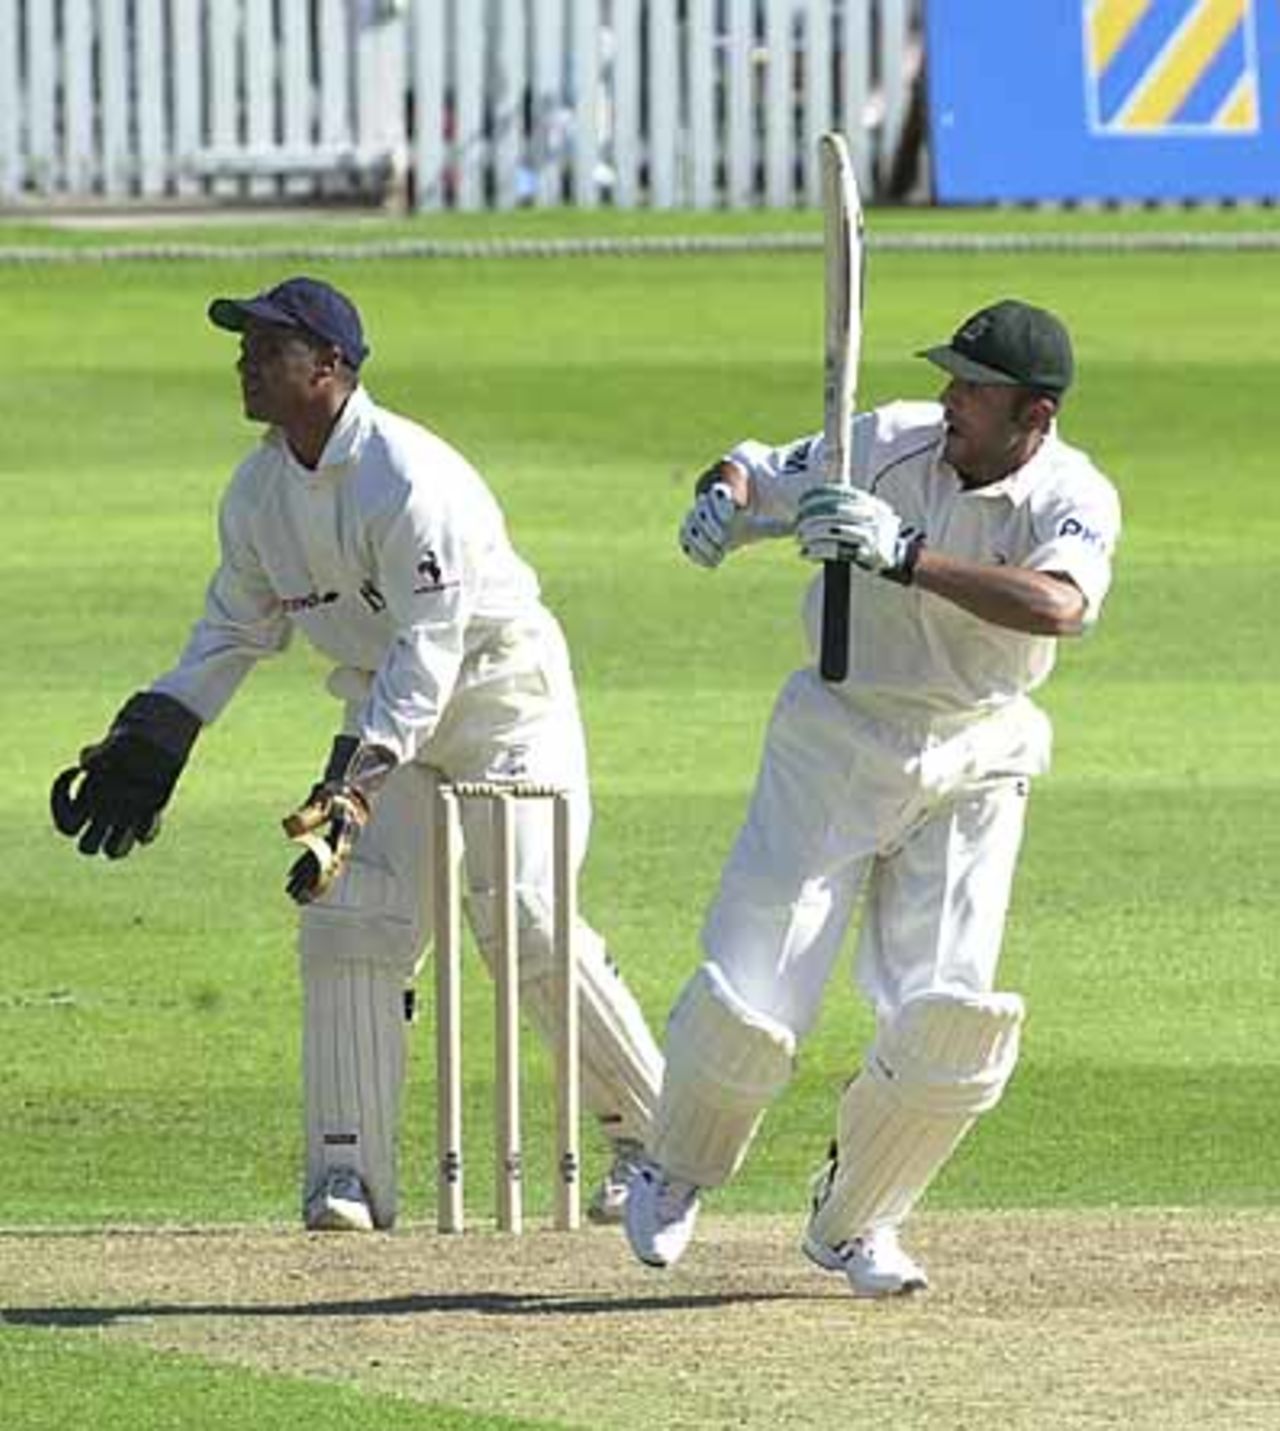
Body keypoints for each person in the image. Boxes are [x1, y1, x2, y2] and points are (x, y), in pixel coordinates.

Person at [50, 275, 662, 1232]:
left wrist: (355, 782)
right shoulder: (257, 493)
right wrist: (160, 729)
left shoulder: (409, 478)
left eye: (269, 345)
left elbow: (433, 648)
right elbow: (230, 633)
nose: (246, 361)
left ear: (330, 364)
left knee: (528, 920)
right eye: (243, 344)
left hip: (502, 700)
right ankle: (348, 1175)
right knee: (349, 921)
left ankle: (650, 1145)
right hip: (385, 709)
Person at [623, 299, 1121, 1296]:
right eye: (948, 378)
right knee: (755, 992)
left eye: (972, 389)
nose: (948, 400)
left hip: (978, 746)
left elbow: (1058, 607)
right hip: (837, 737)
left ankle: (858, 1223)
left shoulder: (1074, 496)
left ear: (1034, 413)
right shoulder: (885, 439)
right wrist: (719, 503)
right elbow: (755, 468)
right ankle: (674, 1170)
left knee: (945, 1017)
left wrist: (902, 556)